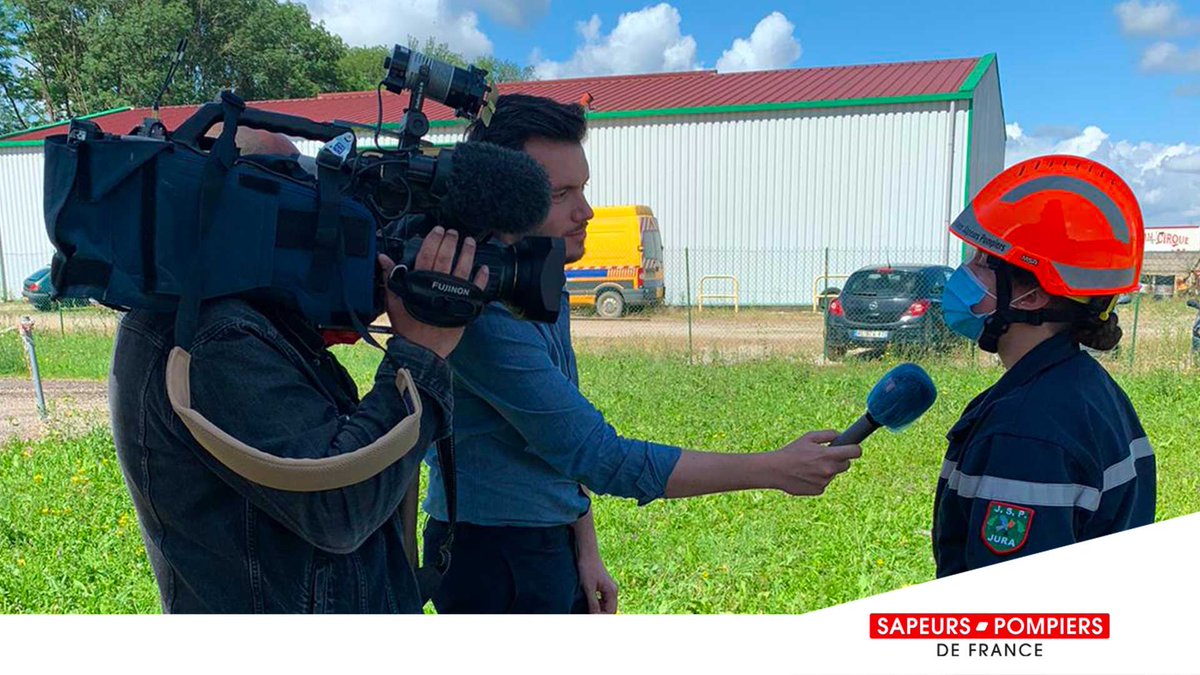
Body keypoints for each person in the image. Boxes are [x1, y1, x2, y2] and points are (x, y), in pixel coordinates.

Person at [421, 94, 862, 614]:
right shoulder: (481, 310)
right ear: (498, 201)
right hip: (493, 557)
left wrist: (585, 548)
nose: (584, 211)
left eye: (582, 187)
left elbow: (561, 440)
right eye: (560, 193)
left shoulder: (538, 283)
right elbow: (596, 454)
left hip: (548, 537)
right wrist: (771, 468)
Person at [111, 126, 490, 613]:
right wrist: (422, 353)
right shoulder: (212, 338)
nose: (310, 203)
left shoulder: (239, 311)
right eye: (288, 181)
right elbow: (340, 503)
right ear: (232, 204)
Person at [933, 155, 1156, 577]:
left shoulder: (1026, 432)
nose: (964, 273)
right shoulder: (1087, 385)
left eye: (981, 262)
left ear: (1032, 297)